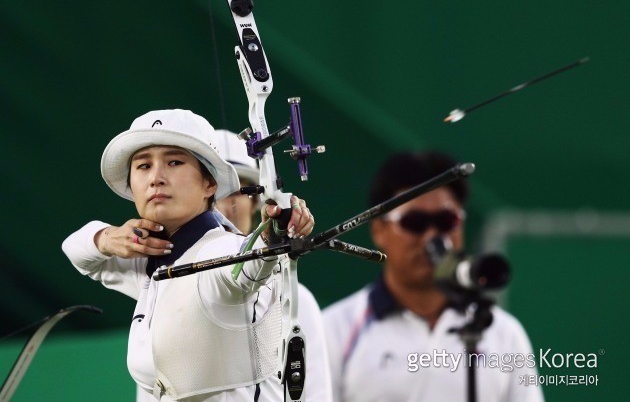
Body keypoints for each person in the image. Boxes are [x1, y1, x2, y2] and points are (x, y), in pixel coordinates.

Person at [62, 109, 314, 401]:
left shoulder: (219, 250)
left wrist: (273, 234)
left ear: (210, 184)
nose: (156, 177)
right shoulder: (149, 259)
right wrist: (106, 238)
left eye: (174, 162)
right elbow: (75, 250)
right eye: (143, 166)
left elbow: (246, 265)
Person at [323, 151, 544, 402]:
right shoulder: (335, 330)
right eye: (414, 222)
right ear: (379, 230)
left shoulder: (504, 334)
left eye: (446, 221)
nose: (432, 238)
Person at [213, 129, 333, 402]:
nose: (218, 206)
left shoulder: (297, 299)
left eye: (236, 191)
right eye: (211, 189)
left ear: (257, 200)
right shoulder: (159, 278)